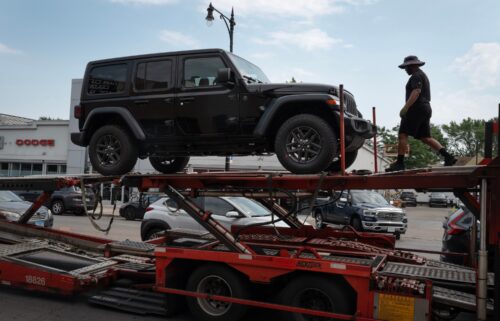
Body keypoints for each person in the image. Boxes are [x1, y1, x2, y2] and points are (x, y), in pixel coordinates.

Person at [386, 55, 456, 172]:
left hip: (416, 108)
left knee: (403, 134)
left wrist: (406, 107)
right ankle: (448, 157)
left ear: (412, 66)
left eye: (406, 68)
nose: (405, 70)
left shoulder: (416, 76)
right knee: (425, 137)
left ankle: (400, 163)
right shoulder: (423, 75)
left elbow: (416, 91)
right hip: (426, 108)